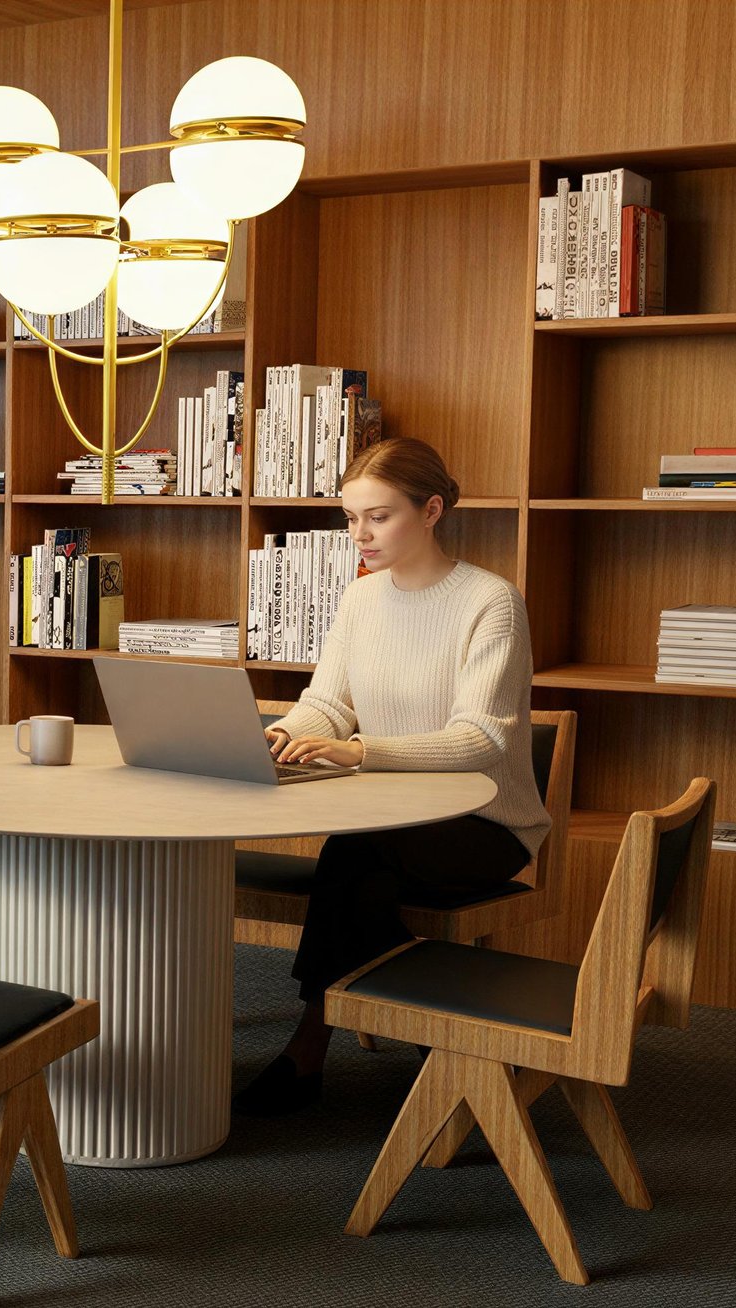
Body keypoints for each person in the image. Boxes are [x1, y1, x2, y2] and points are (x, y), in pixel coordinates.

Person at [234, 436, 551, 1116]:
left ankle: (309, 1046)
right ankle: (439, 1047)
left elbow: (483, 739)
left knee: (352, 857)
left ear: (431, 509)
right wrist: (288, 732)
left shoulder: (491, 601)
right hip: (391, 817)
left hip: (485, 824)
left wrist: (357, 753)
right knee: (360, 865)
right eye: (351, 519)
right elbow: (329, 702)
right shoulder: (362, 600)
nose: (359, 534)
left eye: (378, 516)